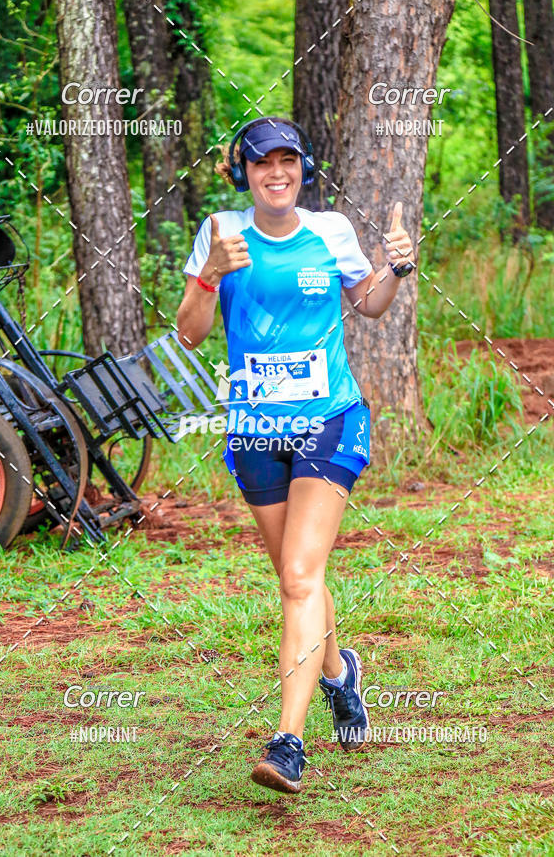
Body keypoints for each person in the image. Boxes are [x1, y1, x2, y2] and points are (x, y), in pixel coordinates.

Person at [176, 116, 415, 794]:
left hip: (329, 421)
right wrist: (209, 276)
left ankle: (288, 743)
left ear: (303, 169)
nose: (276, 173)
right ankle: (340, 674)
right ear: (241, 173)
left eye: (288, 161)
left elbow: (368, 306)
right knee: (297, 577)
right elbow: (189, 335)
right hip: (254, 432)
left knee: (301, 575)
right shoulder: (220, 233)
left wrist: (396, 267)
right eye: (261, 164)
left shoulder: (330, 231)